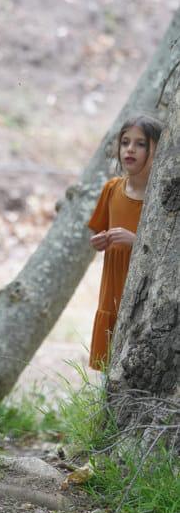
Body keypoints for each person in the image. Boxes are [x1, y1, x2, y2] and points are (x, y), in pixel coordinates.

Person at [87, 114, 162, 369]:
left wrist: (136, 242)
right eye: (125, 142)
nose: (130, 149)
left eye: (141, 144)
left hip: (145, 294)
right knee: (109, 372)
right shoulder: (112, 189)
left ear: (158, 149)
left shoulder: (163, 198)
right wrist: (99, 241)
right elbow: (97, 233)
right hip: (113, 291)